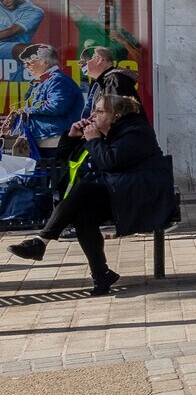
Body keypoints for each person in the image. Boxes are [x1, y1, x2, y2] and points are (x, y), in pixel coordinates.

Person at [6, 96, 171, 295]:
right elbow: (64, 161)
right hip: (120, 192)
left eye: (100, 111)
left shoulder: (136, 132)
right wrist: (72, 137)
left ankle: (41, 242)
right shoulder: (107, 131)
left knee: (83, 191)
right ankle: (101, 275)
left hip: (143, 196)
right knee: (83, 212)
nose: (92, 116)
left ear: (116, 116)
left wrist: (94, 140)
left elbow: (111, 161)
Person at [4, 44, 82, 158]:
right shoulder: (40, 82)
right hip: (43, 137)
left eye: (29, 62)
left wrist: (27, 109)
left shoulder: (59, 80)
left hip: (54, 138)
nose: (26, 66)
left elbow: (57, 106)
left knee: (52, 172)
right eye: (25, 63)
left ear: (45, 62)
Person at [0, 0, 46, 65]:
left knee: (35, 51)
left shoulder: (34, 11)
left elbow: (11, 31)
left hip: (14, 49)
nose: (5, 2)